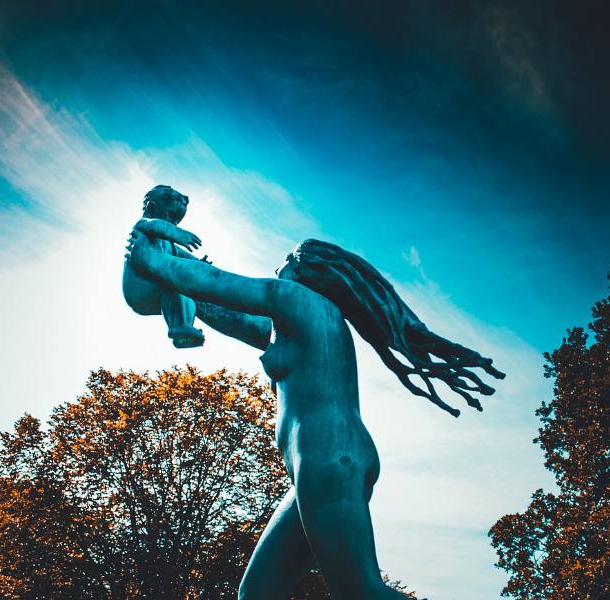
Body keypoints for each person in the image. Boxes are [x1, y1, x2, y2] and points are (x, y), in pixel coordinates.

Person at [125, 229, 505, 600]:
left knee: (361, 591)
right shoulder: (301, 319)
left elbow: (217, 284)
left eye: (284, 262)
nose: (277, 270)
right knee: (256, 592)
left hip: (329, 461)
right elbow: (226, 310)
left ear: (300, 269)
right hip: (319, 466)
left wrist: (148, 256)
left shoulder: (297, 300)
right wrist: (178, 266)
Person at [122, 185, 206, 348]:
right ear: (151, 207)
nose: (172, 224)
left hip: (157, 290)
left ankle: (184, 328)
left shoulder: (169, 244)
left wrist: (199, 262)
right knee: (176, 282)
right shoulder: (143, 224)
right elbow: (156, 225)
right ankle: (178, 326)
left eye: (174, 221)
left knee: (184, 290)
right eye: (170, 218)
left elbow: (183, 255)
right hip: (139, 286)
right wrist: (178, 233)